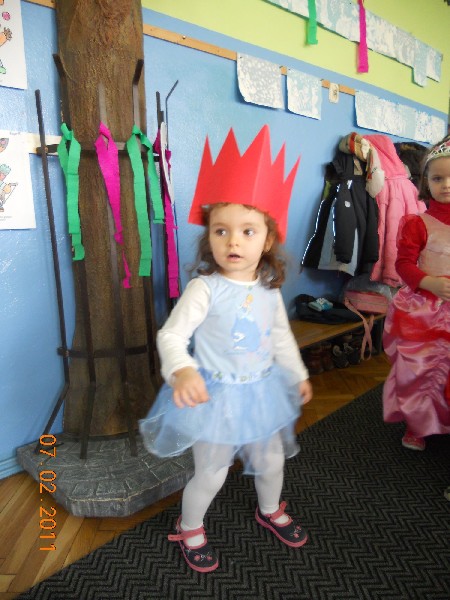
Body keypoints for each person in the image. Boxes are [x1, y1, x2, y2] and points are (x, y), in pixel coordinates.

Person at [139, 125, 313, 573]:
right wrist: (181, 370)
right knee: (212, 472)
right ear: (209, 237)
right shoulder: (205, 289)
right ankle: (190, 526)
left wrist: (297, 373)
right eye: (221, 230)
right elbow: (171, 336)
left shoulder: (269, 288)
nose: (233, 241)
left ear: (267, 240)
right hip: (214, 397)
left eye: (247, 231)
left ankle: (269, 508)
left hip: (262, 391)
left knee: (271, 460)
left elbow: (280, 336)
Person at [382, 135, 450, 450]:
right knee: (421, 370)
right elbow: (404, 264)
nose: (446, 185)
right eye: (438, 178)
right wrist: (429, 282)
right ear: (426, 182)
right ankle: (418, 424)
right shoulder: (418, 223)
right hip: (425, 312)